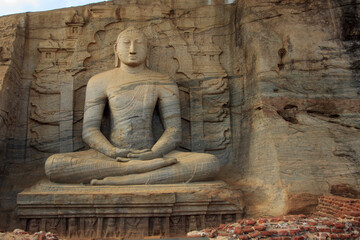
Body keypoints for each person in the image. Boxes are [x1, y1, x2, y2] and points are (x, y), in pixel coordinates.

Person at [44, 27, 219, 185]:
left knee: (208, 163)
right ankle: (129, 171)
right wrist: (112, 151)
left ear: (148, 50)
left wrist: (154, 153)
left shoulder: (163, 81)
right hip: (111, 157)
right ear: (115, 49)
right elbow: (89, 131)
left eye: (139, 44)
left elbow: (174, 131)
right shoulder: (99, 81)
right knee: (53, 165)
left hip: (154, 155)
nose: (132, 49)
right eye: (126, 43)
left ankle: (126, 177)